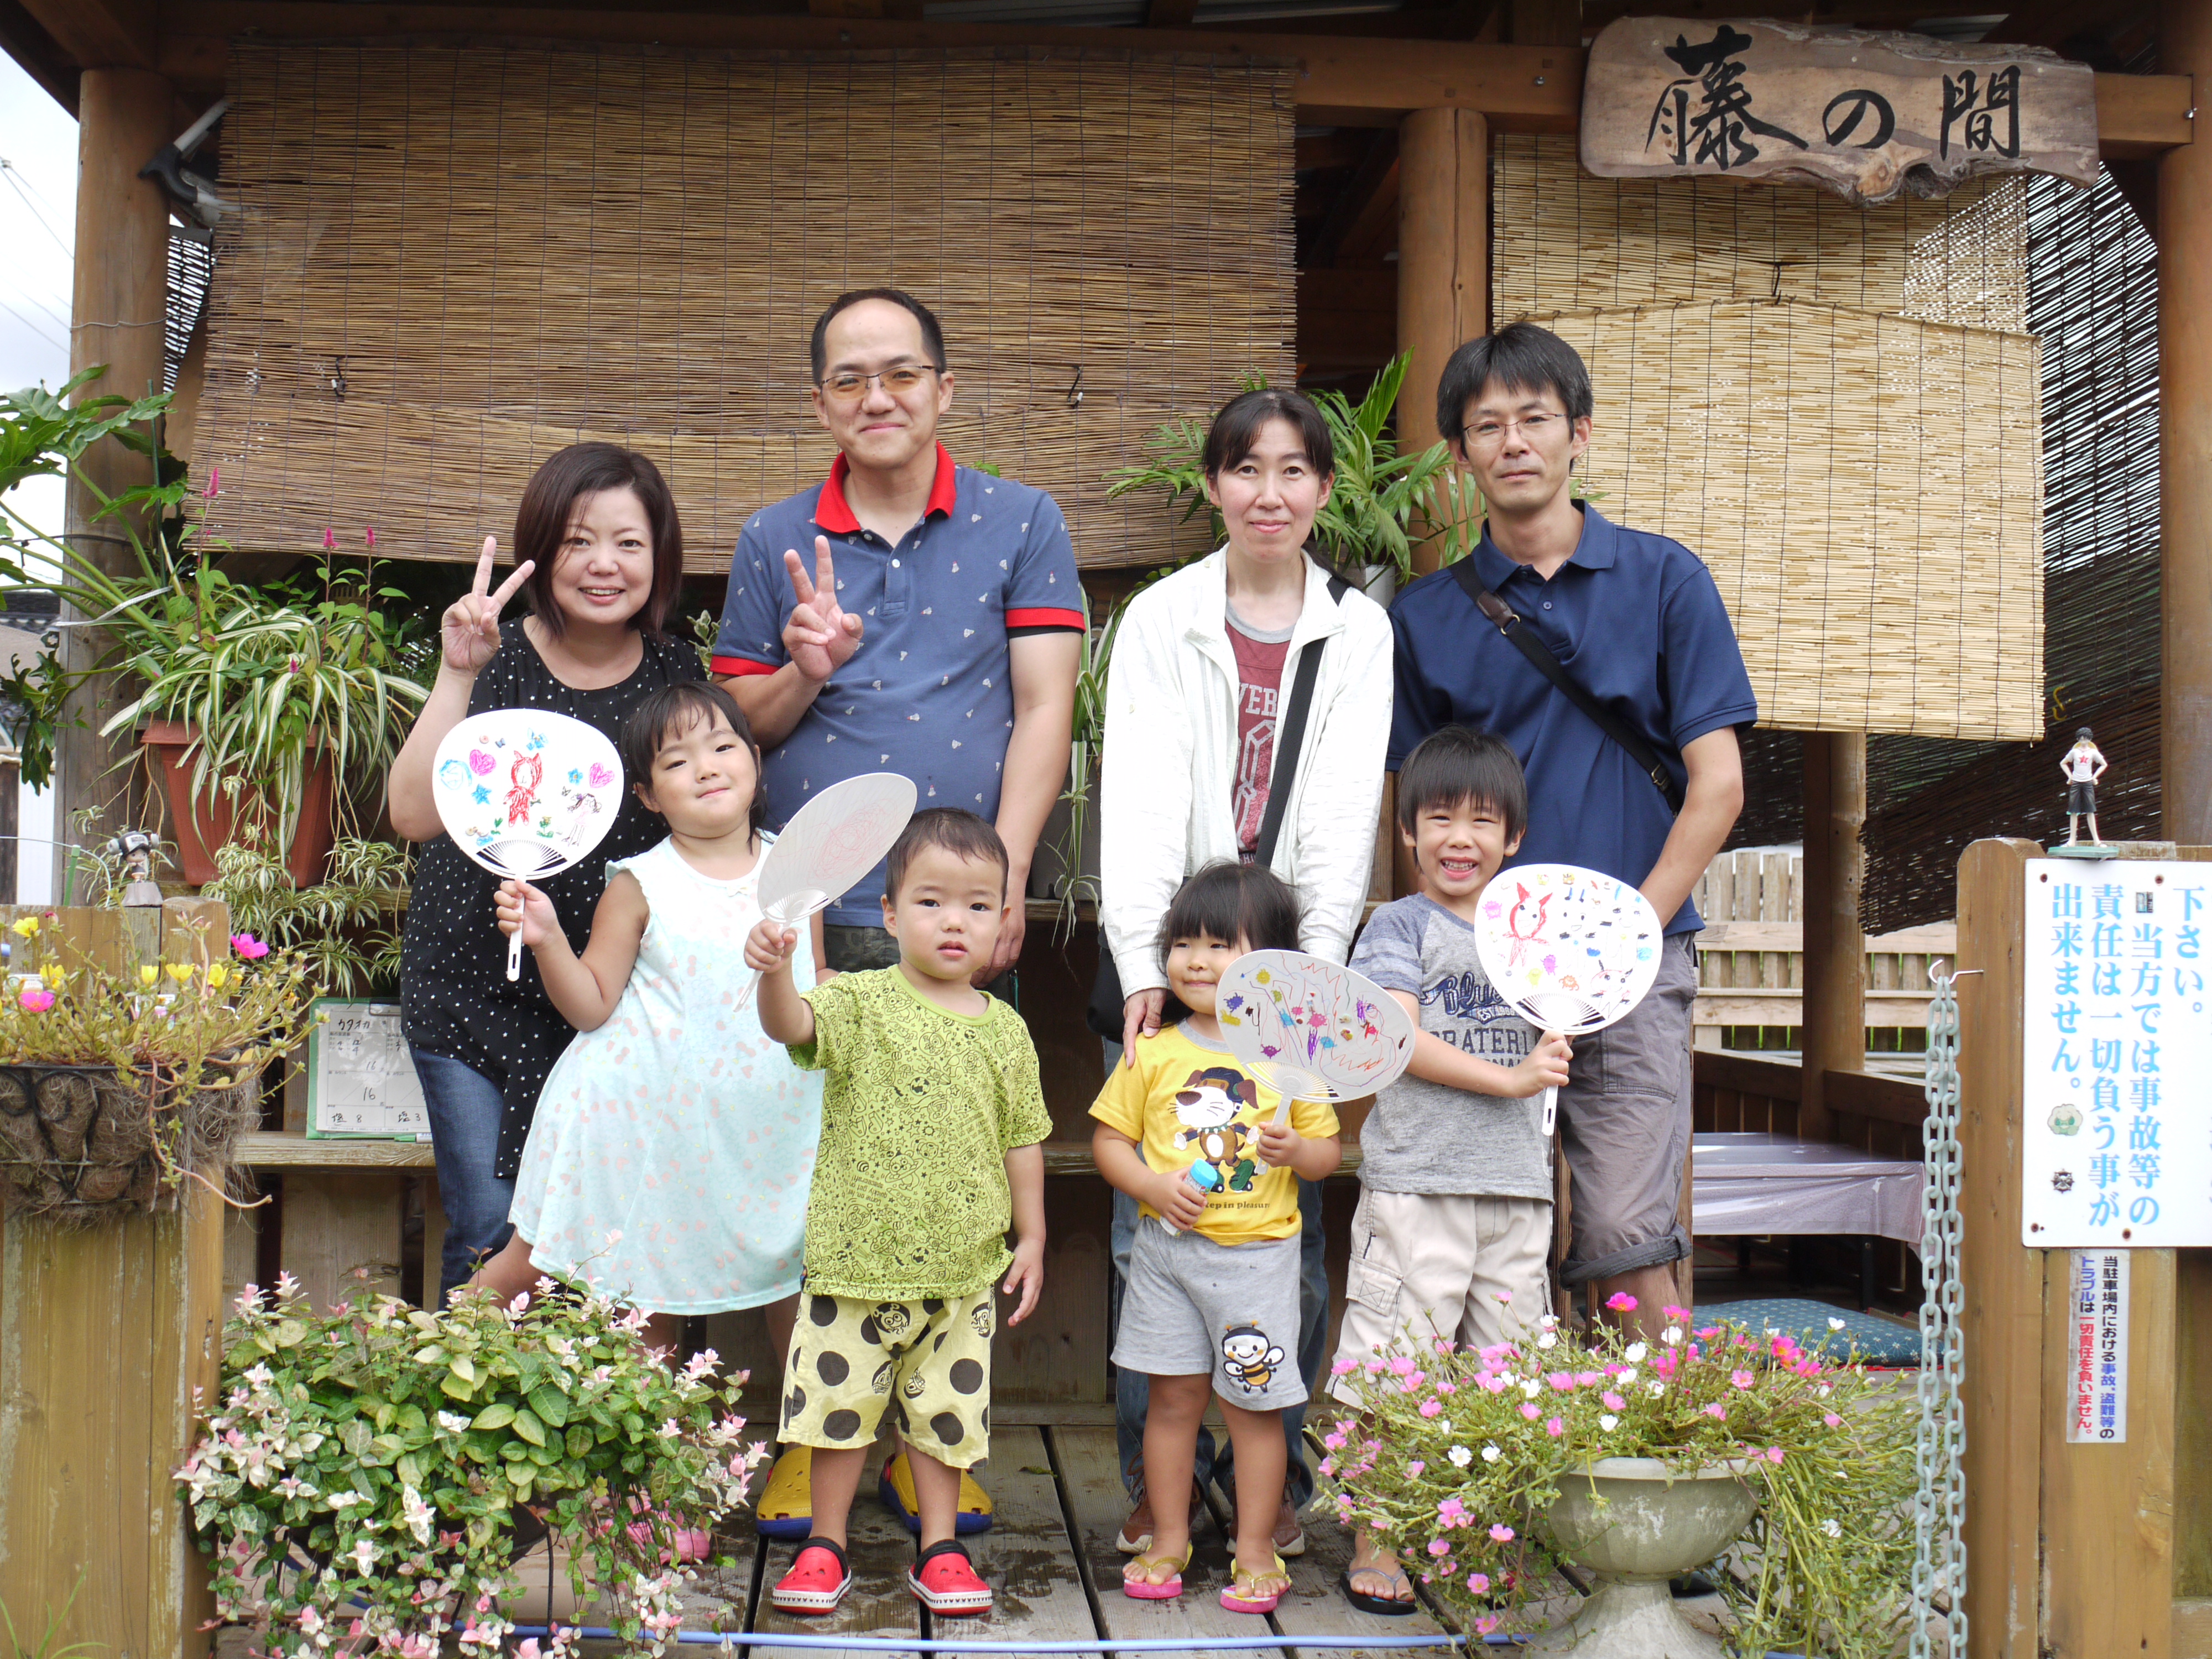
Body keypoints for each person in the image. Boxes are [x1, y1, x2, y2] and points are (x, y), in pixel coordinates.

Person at [713, 288, 1081, 1530]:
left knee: (954, 1167)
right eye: (851, 379)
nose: (879, 397)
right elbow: (740, 726)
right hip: (813, 899)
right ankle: (811, 1431)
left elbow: (1045, 705)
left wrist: (1006, 872)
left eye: (902, 374)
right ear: (820, 402)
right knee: (808, 1170)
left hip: (956, 904)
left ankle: (935, 1441)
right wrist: (804, 665)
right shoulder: (774, 539)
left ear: (943, 388)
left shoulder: (1022, 520)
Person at [1389, 322, 1755, 1343]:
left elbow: (1718, 787)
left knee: (1628, 1231)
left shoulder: (1666, 581)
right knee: (1477, 1224)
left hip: (1637, 954)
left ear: (1579, 433)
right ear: (1459, 454)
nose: (1513, 443)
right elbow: (1414, 813)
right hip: (1479, 964)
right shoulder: (1425, 618)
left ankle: (1666, 1432)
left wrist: (1624, 938)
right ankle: (1495, 1441)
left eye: (1535, 419)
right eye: (1486, 426)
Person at [1098, 387, 1392, 1556]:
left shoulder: (1356, 630)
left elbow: (1341, 824)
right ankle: (1156, 1492)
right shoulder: (1162, 617)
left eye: (1293, 471)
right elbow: (1135, 800)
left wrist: (1306, 991)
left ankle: (1269, 1492)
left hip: (1285, 960)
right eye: (1246, 469)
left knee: (1288, 1231)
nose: (1269, 493)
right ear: (1214, 484)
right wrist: (1143, 967)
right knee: (1148, 1228)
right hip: (1174, 953)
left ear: (1323, 488)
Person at [388, 443, 702, 1305]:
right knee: (490, 1227)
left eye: (629, 543)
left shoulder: (676, 675)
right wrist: (458, 669)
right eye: (577, 541)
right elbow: (411, 814)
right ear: (541, 550)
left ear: (660, 557)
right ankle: (466, 1387)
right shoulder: (494, 656)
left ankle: (587, 1394)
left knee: (599, 1235)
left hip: (605, 1003)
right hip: (468, 989)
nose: (604, 564)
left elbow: (708, 816)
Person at [744, 808, 1051, 1619]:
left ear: (1002, 920)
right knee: (836, 1414)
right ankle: (826, 1543)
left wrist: (1033, 1235)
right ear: (888, 914)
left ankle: (940, 1548)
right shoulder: (858, 1002)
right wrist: (775, 972)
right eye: (931, 901)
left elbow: (1023, 1139)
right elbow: (790, 1026)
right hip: (854, 1261)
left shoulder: (1007, 1033)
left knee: (946, 1418)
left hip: (962, 1269)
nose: (955, 922)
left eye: (978, 906)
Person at [468, 681, 823, 1374]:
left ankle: (807, 1435)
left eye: (722, 748)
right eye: (677, 761)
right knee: (588, 1280)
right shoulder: (638, 882)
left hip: (766, 1127)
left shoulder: (798, 872)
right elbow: (592, 1004)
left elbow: (815, 986)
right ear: (648, 796)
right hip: (638, 1121)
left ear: (755, 761)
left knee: (796, 1276)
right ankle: (420, 1365)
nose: (706, 768)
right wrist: (547, 938)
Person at [1324, 727, 1574, 1613]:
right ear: (1407, 833)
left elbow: (1573, 1020)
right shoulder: (1399, 925)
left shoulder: (1537, 937)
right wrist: (1512, 1077)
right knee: (1398, 1365)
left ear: (1514, 837)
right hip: (1417, 1187)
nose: (1459, 838)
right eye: (1438, 818)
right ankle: (1380, 1532)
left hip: (1518, 1191)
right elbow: (1393, 1038)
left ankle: (1481, 1533)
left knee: (1511, 1372)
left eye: (1482, 821)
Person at [1090, 860, 1342, 1615]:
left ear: (1271, 963)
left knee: (1254, 1411)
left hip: (1257, 1264)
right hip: (1168, 1259)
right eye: (1183, 944)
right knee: (1171, 1403)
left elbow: (1327, 1156)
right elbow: (1109, 1142)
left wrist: (1297, 1152)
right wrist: (1149, 1187)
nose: (1196, 961)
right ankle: (1170, 1536)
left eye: (1220, 945)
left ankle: (1256, 1546)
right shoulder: (1154, 1050)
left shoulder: (1289, 1059)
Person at [2061, 727, 2108, 845]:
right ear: (2078, 739)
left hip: (2088, 783)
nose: (2083, 741)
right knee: (2073, 811)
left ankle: (2096, 841)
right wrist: (2070, 776)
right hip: (2076, 783)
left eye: (2086, 739)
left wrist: (2094, 777)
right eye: (2081, 739)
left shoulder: (2093, 752)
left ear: (2089, 739)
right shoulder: (2074, 752)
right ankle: (2072, 840)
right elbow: (2063, 763)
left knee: (2090, 811)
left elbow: (2104, 764)